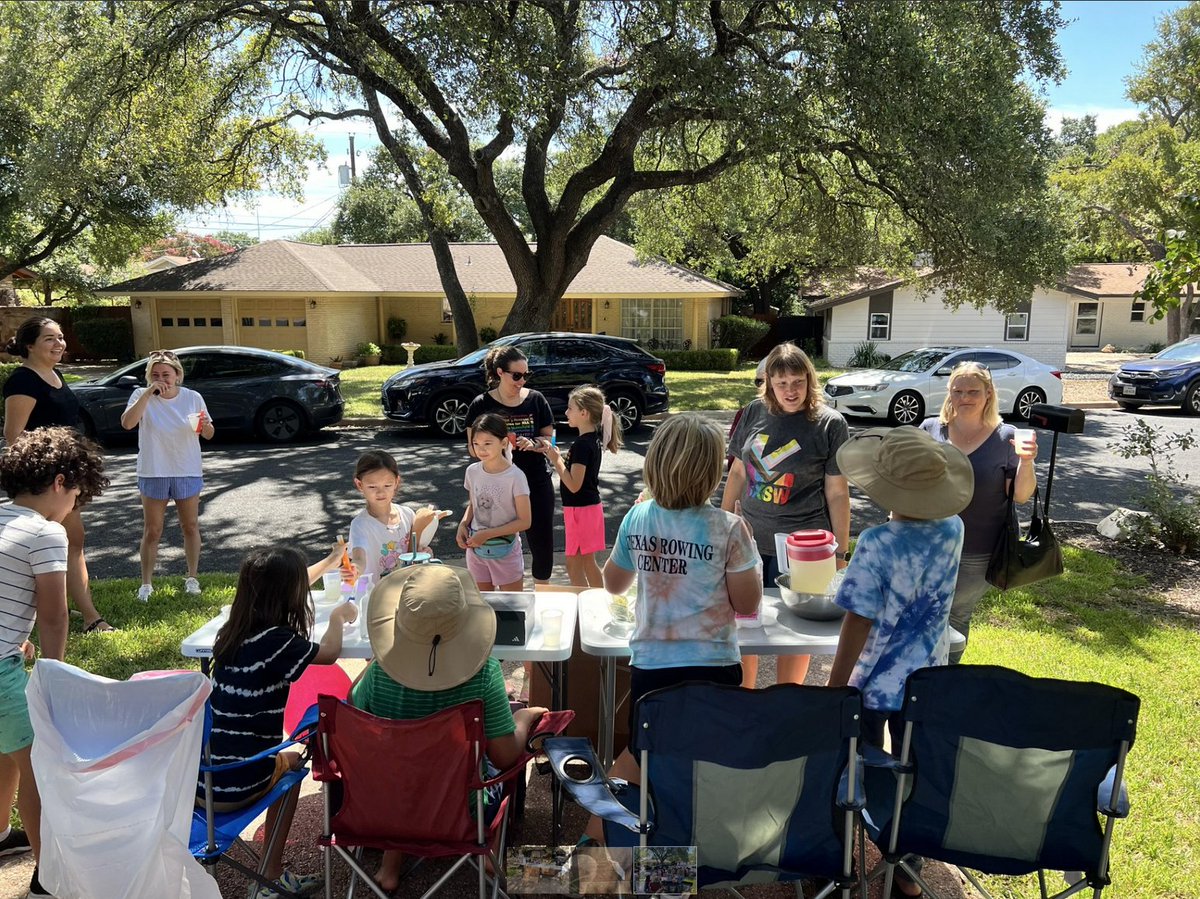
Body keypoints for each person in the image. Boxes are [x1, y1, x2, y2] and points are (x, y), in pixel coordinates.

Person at [588, 413, 761, 841]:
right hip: (715, 667)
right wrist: (749, 547)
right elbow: (748, 603)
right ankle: (688, 850)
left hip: (652, 667)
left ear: (655, 464)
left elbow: (613, 583)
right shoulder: (730, 528)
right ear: (711, 471)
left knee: (645, 757)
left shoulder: (640, 517)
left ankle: (596, 845)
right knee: (701, 763)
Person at [826, 426, 972, 899]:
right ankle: (907, 869)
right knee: (912, 775)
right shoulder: (955, 527)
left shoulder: (878, 543)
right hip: (928, 681)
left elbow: (857, 622)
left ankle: (841, 855)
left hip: (874, 684)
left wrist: (834, 685)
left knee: (854, 767)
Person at [352, 564, 548, 893]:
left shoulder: (378, 675)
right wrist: (525, 718)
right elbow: (503, 756)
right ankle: (488, 850)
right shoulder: (483, 674)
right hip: (459, 810)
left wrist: (380, 662)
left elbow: (355, 715)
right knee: (499, 779)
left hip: (385, 807)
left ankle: (390, 866)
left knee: (403, 766)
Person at [203, 546, 357, 899]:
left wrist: (332, 560)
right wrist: (337, 617)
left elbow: (292, 582)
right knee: (293, 767)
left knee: (284, 760)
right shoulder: (277, 641)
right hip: (240, 781)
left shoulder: (231, 633)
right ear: (288, 596)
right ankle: (268, 877)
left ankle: (267, 873)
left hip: (206, 780)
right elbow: (330, 653)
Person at [0, 426, 109, 898]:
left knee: (7, 755)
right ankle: (48, 879)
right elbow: (54, 613)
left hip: (4, 652)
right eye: (78, 498)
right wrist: (53, 673)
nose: (73, 510)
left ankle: (1, 836)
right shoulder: (46, 531)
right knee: (39, 765)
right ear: (61, 482)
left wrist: (13, 637)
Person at [721, 342, 850, 688]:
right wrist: (721, 526)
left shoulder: (830, 424)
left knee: (797, 632)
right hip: (748, 542)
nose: (790, 391)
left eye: (798, 382)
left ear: (810, 380)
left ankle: (785, 699)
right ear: (768, 383)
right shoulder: (752, 412)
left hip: (806, 549)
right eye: (782, 383)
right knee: (745, 625)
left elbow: (838, 493)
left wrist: (840, 553)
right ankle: (744, 696)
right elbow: (737, 472)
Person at [920, 362, 1038, 662]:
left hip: (979, 549)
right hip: (929, 543)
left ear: (988, 393)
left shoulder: (1005, 437)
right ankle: (918, 677)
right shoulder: (931, 428)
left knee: (955, 614)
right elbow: (911, 481)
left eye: (973, 391)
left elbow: (1021, 495)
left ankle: (939, 681)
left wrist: (1027, 461)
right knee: (923, 610)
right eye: (957, 391)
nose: (965, 397)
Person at [2, 317, 113, 633]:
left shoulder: (54, 374)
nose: (59, 344)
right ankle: (91, 617)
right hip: (44, 480)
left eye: (61, 337)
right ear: (30, 345)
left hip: (66, 474)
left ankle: (69, 610)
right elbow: (14, 436)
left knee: (70, 541)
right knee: (60, 543)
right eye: (50, 338)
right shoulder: (22, 381)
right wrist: (45, 477)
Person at [119, 349, 215, 601]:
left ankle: (192, 578)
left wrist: (205, 427)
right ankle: (146, 584)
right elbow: (127, 423)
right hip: (154, 470)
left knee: (190, 525)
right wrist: (149, 393)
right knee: (153, 530)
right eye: (155, 374)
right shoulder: (141, 395)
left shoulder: (193, 397)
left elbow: (208, 433)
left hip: (187, 468)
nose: (161, 378)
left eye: (166, 374)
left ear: (178, 375)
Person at [465, 346, 555, 583]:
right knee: (496, 541)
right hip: (496, 483)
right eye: (517, 375)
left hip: (535, 480)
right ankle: (500, 591)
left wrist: (534, 443)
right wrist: (498, 449)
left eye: (526, 375)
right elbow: (472, 448)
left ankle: (542, 593)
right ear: (499, 373)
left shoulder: (536, 399)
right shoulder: (480, 404)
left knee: (541, 543)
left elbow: (551, 440)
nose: (522, 380)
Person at [545, 385, 623, 588]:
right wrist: (560, 457)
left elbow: (573, 485)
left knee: (576, 564)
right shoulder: (590, 441)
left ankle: (586, 605)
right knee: (585, 563)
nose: (566, 412)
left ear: (584, 413)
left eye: (570, 408)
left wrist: (556, 460)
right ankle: (594, 603)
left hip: (581, 511)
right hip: (585, 510)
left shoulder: (582, 444)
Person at [457, 413, 532, 592]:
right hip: (476, 548)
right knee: (483, 605)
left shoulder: (515, 476)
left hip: (505, 548)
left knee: (512, 608)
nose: (481, 449)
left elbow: (525, 521)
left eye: (488, 443)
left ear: (504, 443)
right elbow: (473, 504)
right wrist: (463, 524)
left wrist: (488, 534)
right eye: (476, 444)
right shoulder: (472, 471)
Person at [348, 450, 441, 581]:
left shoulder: (407, 514)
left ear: (396, 482)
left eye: (387, 485)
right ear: (359, 484)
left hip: (408, 589)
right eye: (372, 487)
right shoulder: (360, 525)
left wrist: (424, 553)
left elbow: (415, 550)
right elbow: (359, 557)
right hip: (377, 593)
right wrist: (355, 569)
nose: (380, 492)